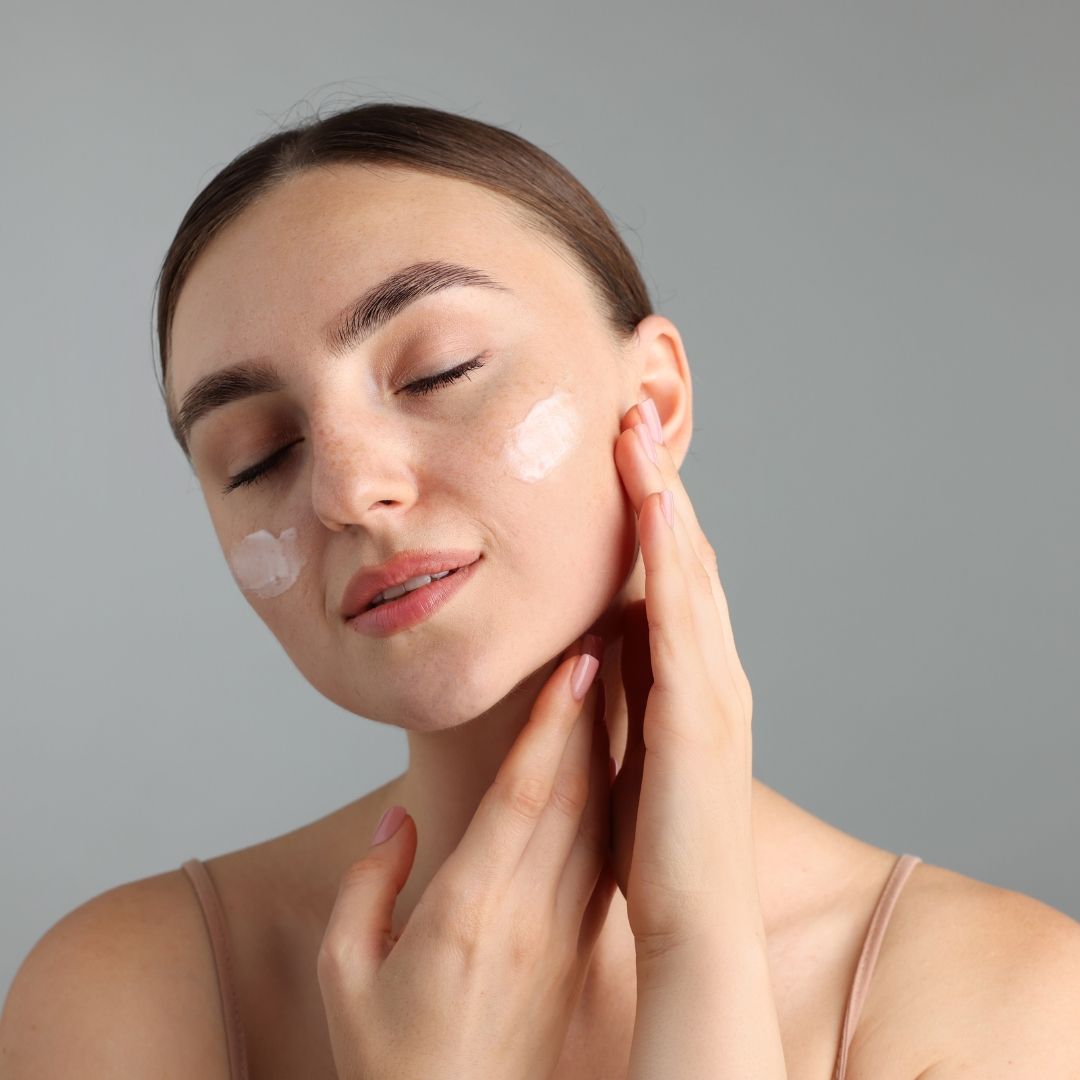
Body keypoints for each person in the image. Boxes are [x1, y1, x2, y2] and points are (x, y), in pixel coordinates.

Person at [3, 101, 1079, 1079]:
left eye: (438, 371)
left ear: (653, 400)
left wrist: (699, 957)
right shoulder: (132, 999)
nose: (347, 490)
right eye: (257, 456)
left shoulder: (1006, 1000)